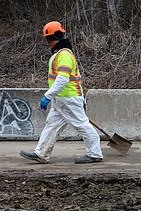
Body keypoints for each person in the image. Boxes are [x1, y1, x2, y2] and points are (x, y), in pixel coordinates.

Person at [20, 21, 103, 164]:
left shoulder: (64, 55)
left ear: (54, 38)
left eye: (49, 39)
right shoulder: (59, 53)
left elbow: (62, 80)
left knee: (82, 125)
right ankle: (41, 154)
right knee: (51, 125)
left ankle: (95, 154)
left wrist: (47, 96)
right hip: (62, 99)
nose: (48, 42)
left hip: (69, 98)